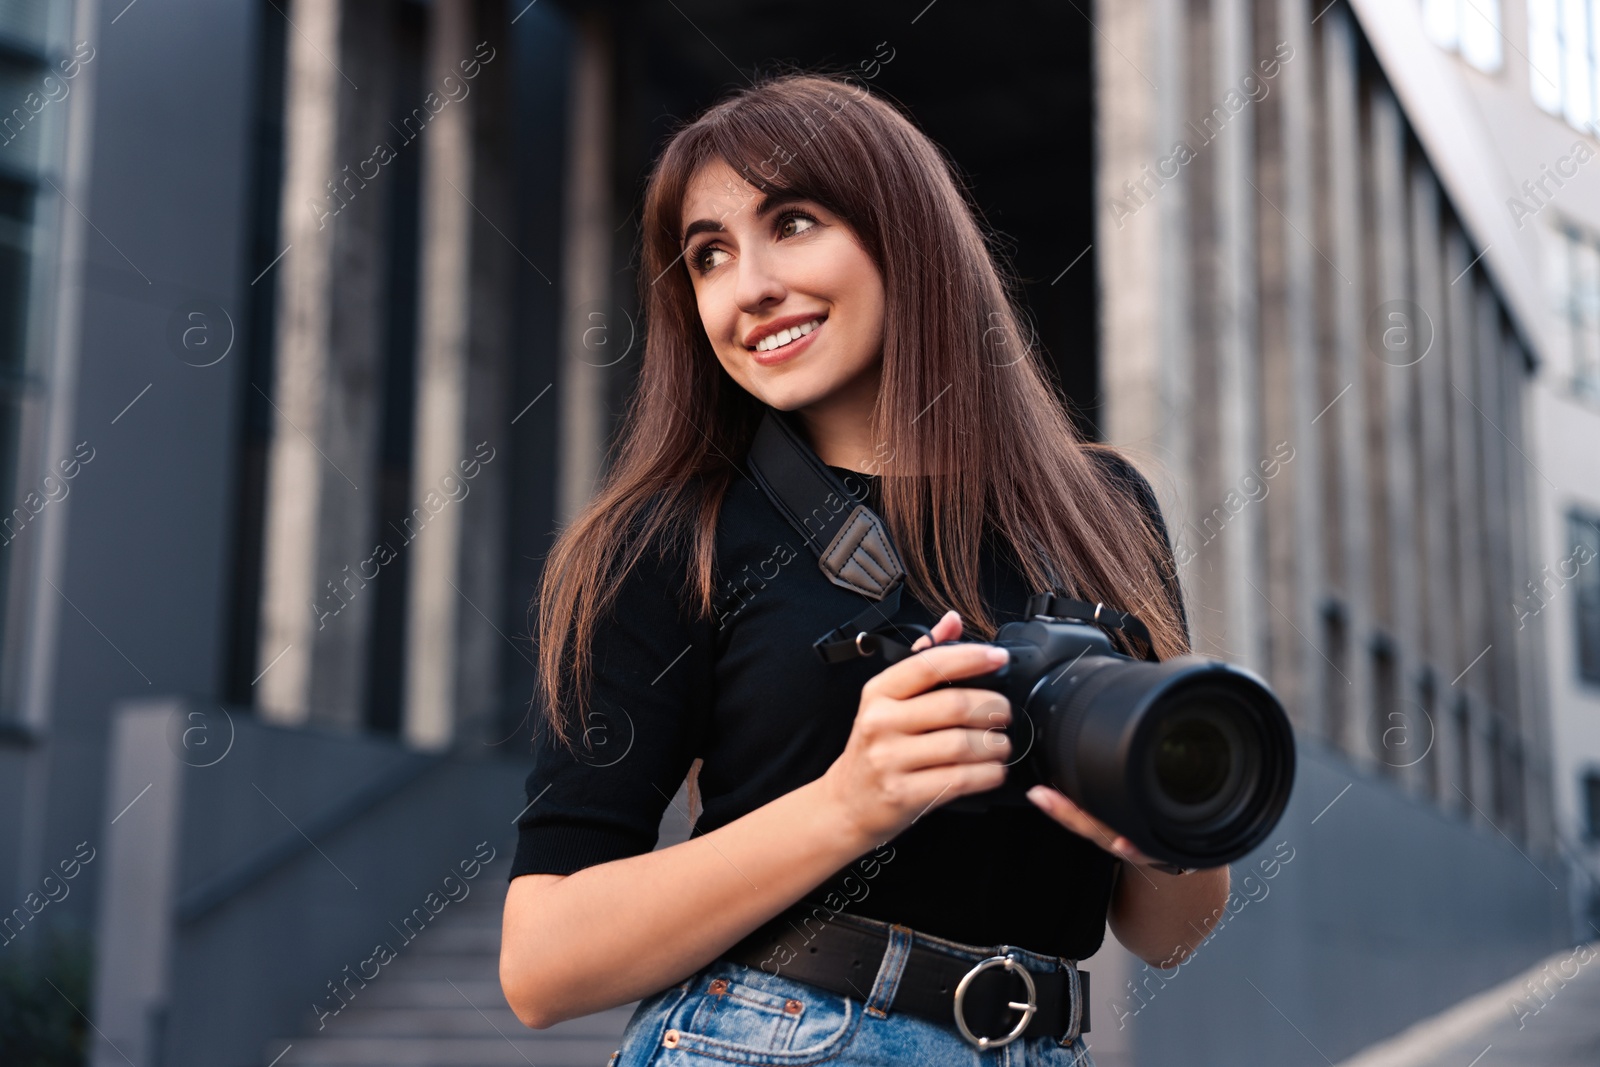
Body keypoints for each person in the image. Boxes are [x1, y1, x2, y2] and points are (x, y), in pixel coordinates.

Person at [500, 71, 1229, 1065]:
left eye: (792, 222)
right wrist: (850, 801)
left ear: (908, 233)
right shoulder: (672, 533)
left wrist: (1160, 820)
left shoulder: (1103, 506)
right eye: (708, 255)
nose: (747, 285)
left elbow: (1168, 930)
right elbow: (542, 962)